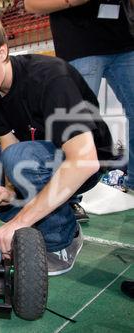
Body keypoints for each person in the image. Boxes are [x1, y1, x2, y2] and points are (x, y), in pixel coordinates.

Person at [0, 10, 113, 276]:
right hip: (31, 159)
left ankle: (61, 240)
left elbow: (84, 161)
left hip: (85, 163)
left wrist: (20, 221)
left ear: (2, 52)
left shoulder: (51, 78)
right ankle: (24, 225)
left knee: (20, 158)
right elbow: (8, 144)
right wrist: (9, 190)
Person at [24, 0, 134, 218]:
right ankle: (67, 198)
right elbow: (31, 4)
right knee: (74, 124)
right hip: (79, 43)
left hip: (124, 40)